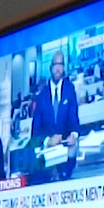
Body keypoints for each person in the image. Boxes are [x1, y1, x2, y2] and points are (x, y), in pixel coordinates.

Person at [31, 49, 81, 181]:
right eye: (56, 64)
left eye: (61, 64)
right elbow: (35, 132)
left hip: (66, 151)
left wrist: (74, 135)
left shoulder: (70, 89)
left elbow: (74, 120)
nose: (58, 68)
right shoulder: (42, 96)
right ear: (50, 67)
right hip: (47, 155)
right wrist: (48, 141)